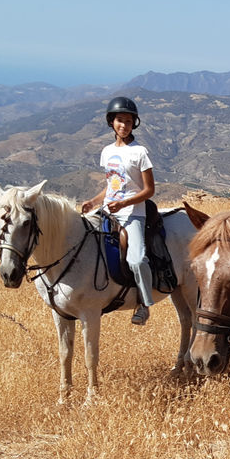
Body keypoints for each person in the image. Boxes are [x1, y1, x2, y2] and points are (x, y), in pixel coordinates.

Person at [81, 96, 156, 325]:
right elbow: (112, 185)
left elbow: (149, 190)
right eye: (119, 120)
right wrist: (94, 202)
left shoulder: (140, 152)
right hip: (107, 209)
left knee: (137, 260)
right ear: (111, 122)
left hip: (133, 213)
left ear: (134, 123)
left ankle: (144, 303)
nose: (124, 125)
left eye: (128, 121)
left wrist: (124, 204)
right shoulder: (106, 151)